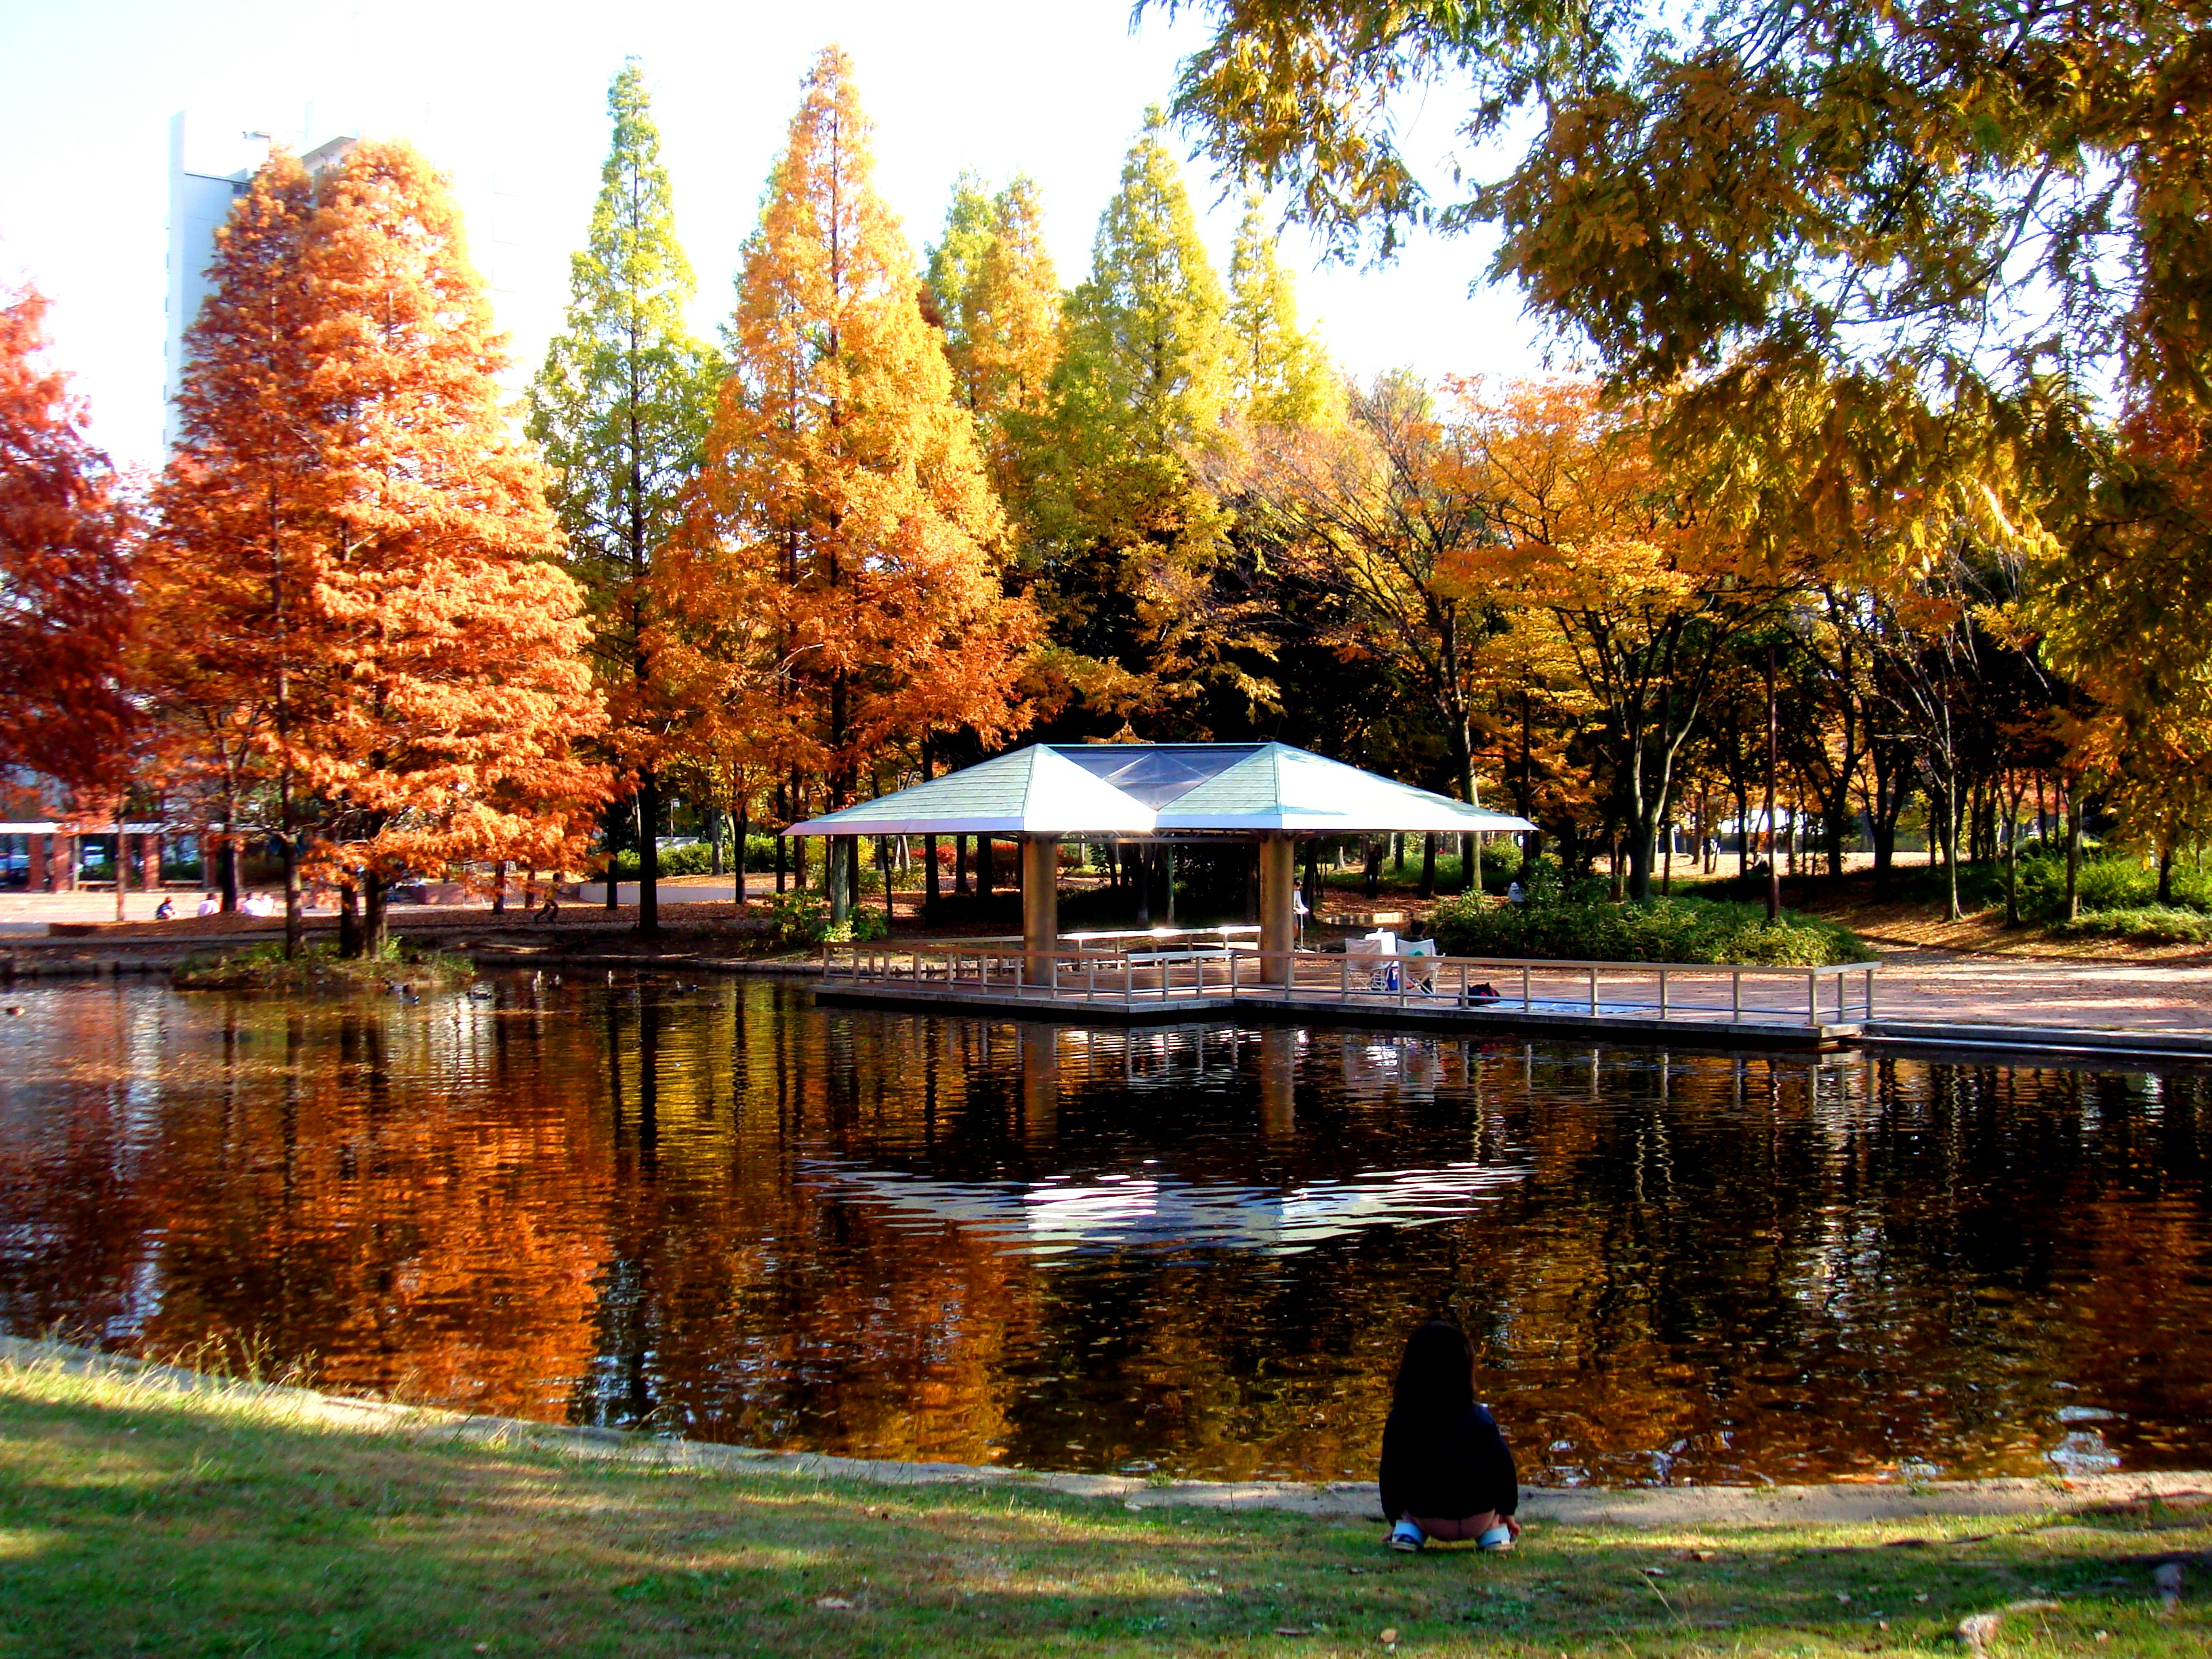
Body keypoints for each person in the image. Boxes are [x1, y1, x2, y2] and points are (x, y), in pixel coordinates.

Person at [1378, 1319, 1521, 1553]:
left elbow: (1390, 1474)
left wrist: (1396, 1517)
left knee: (1410, 1487)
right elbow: (1505, 1469)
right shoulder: (1482, 1418)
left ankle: (1408, 1531)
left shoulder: (1402, 1419)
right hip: (1480, 1517)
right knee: (1486, 1483)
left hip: (1428, 1517)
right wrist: (1507, 1512)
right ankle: (1494, 1534)